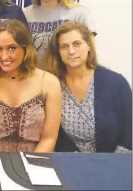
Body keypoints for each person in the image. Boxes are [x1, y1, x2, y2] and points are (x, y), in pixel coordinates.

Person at [0, 19, 62, 152]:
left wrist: (31, 166)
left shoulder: (49, 83)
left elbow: (49, 138)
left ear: (26, 49)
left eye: (12, 48)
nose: (4, 56)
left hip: (36, 160)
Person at [45, 22, 132, 152]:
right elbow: (53, 137)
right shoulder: (53, 85)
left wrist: (111, 165)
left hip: (113, 163)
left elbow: (129, 134)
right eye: (64, 46)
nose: (71, 51)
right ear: (58, 52)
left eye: (77, 44)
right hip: (69, 163)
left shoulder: (116, 83)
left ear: (89, 46)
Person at [24, 0, 96, 69]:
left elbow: (91, 53)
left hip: (69, 79)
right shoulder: (25, 14)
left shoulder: (78, 13)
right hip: (35, 79)